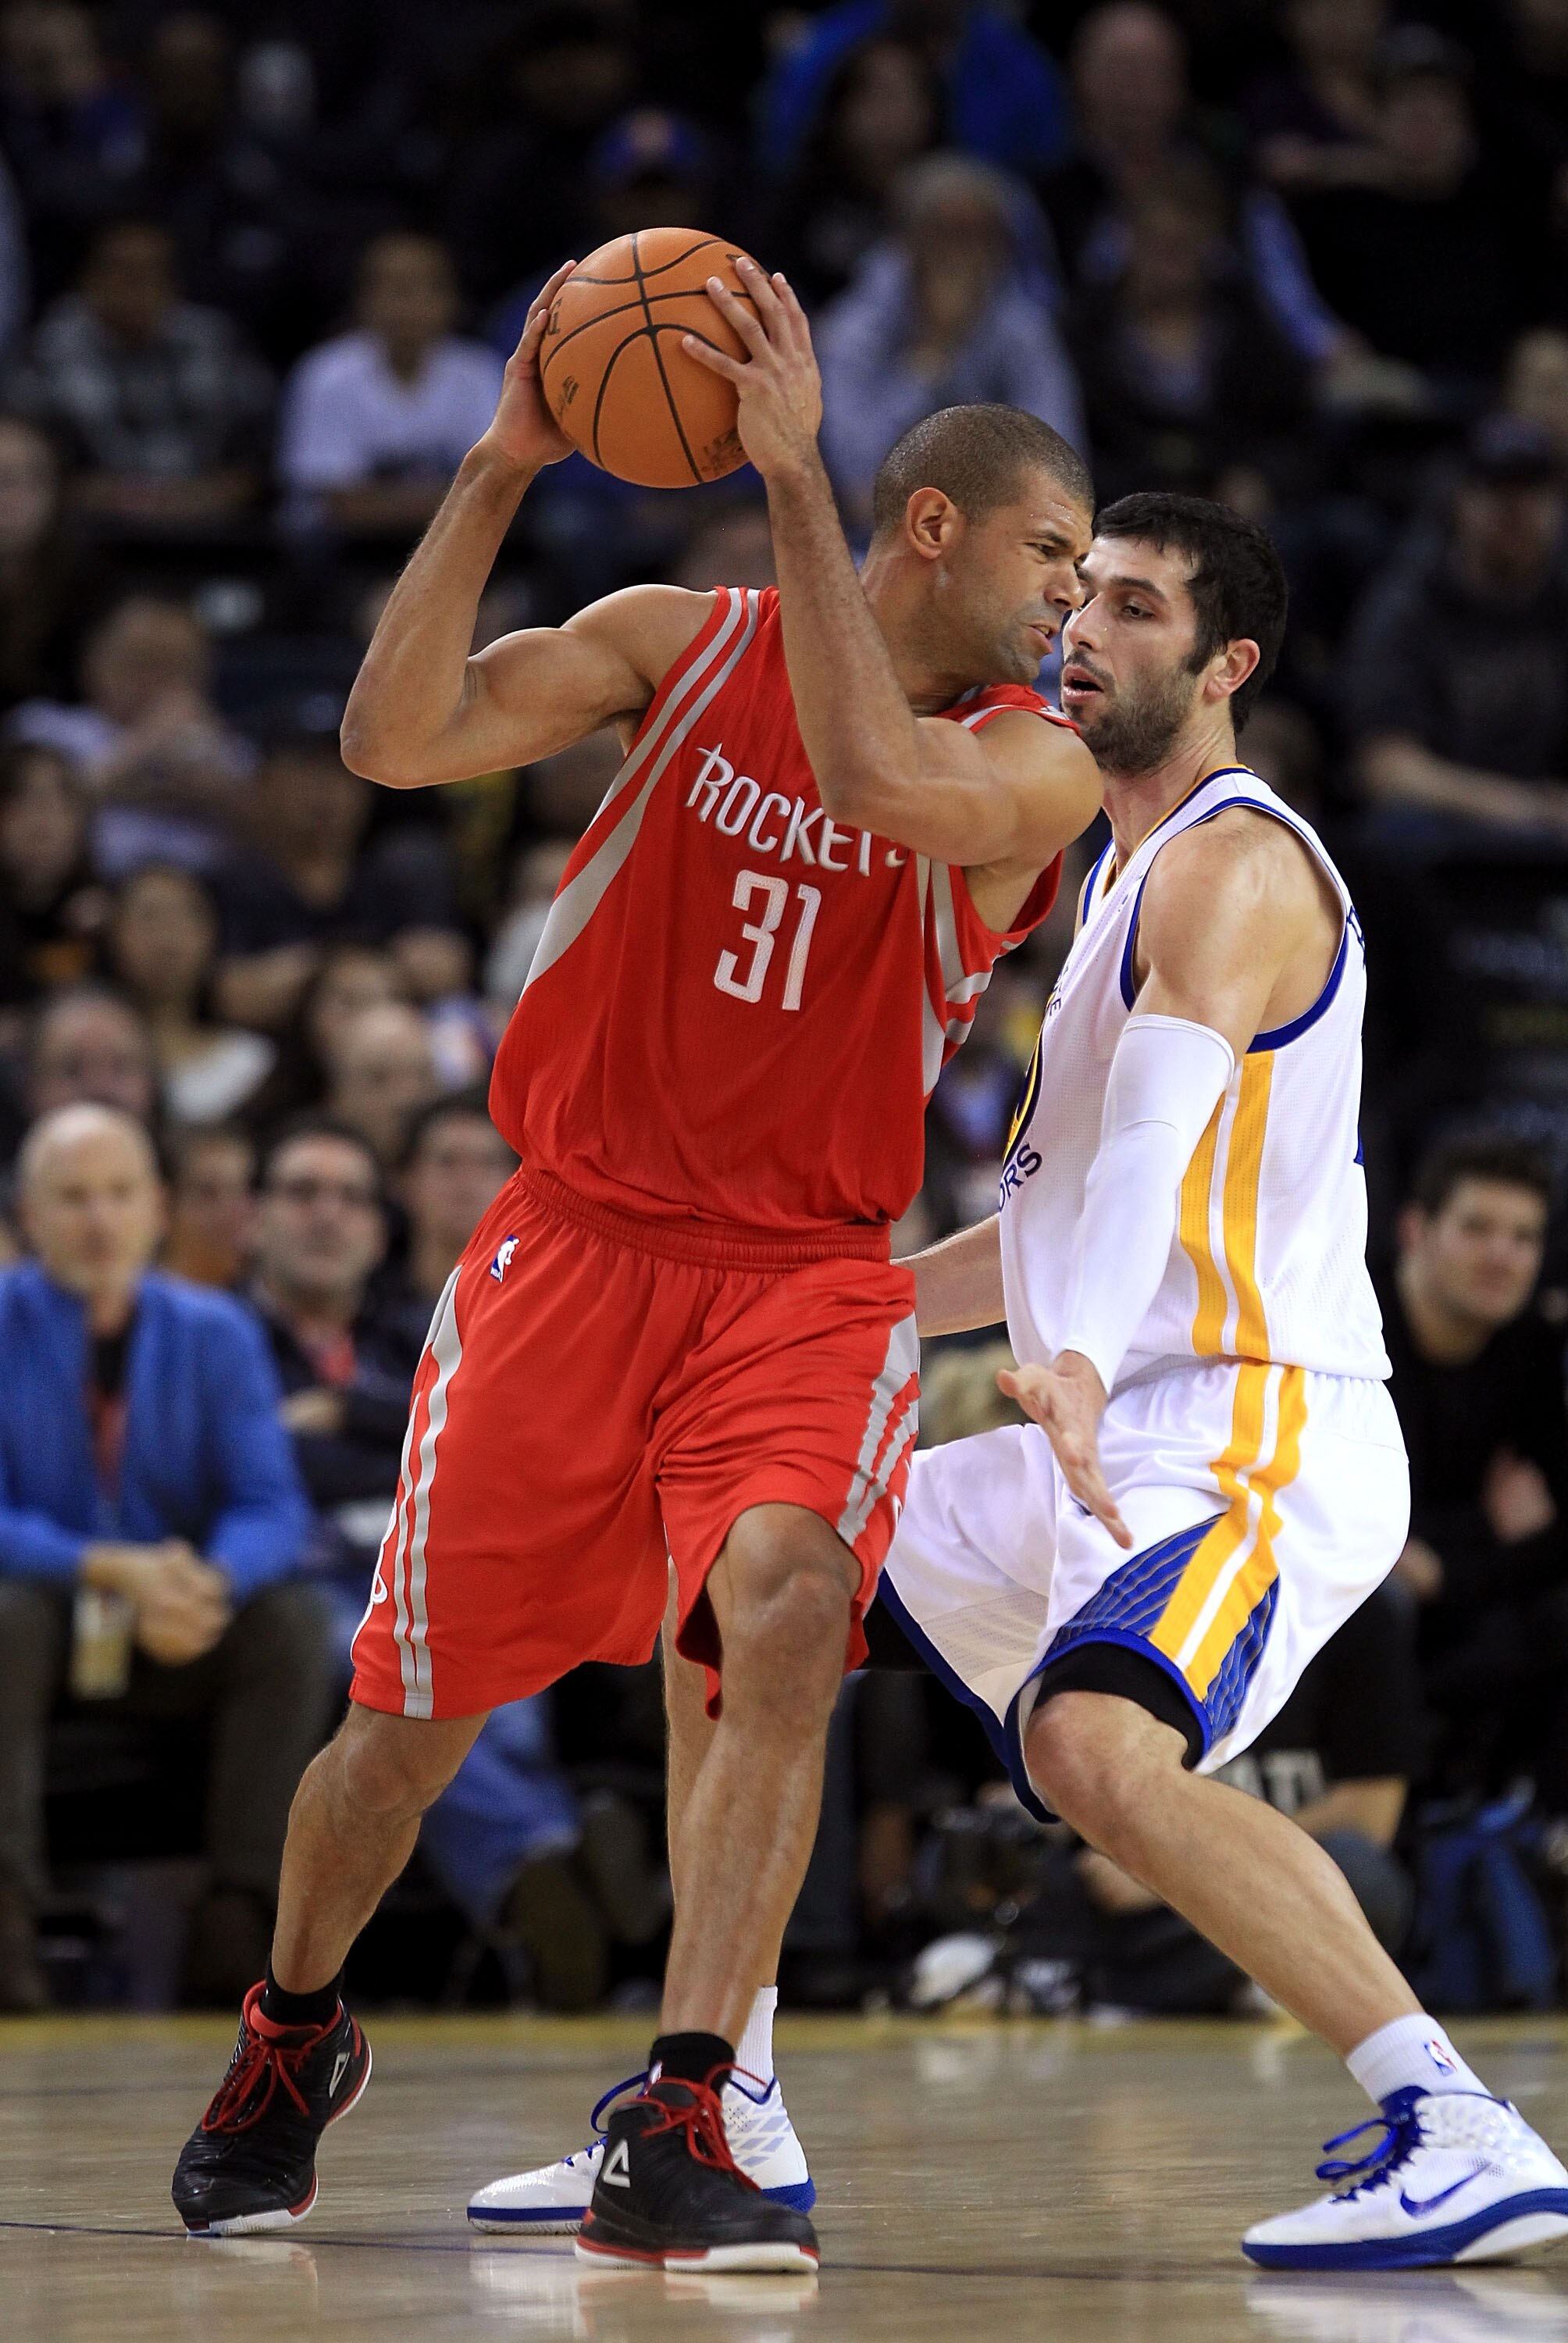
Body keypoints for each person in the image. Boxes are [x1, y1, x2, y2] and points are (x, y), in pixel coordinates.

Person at [170, 249, 1102, 2268]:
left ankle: (687, 2098)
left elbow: (873, 781)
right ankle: (293, 2031)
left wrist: (785, 478)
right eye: (1051, 549)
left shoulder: (1040, 765)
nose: (1072, 595)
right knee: (401, 1730)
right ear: (933, 525)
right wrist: (504, 460)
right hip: (573, 1249)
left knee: (784, 1613)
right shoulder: (678, 644)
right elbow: (391, 739)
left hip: (803, 1276)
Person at [866, 491, 1566, 2266]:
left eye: (1134, 607)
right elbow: (1050, 1218)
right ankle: (710, 2080)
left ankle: (1452, 2120)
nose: (1080, 627)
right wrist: (846, 1306)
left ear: (1224, 664)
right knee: (775, 1564)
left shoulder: (1229, 864)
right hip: (1125, 1411)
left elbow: (1145, 1156)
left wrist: (1068, 1360)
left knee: (1092, 1745)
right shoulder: (1118, 874)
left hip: (1256, 1415)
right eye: (1078, 594)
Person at [0, 1104, 330, 2010]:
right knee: (6, 1618)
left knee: (292, 1623)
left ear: (157, 1208)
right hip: (46, 1621)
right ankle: (6, 1918)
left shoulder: (217, 1330)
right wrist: (107, 1568)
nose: (99, 1220)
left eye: (119, 1194)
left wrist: (207, 1583)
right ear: (30, 1214)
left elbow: (271, 1503)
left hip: (174, 1626)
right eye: (73, 1198)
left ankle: (238, 1917)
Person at [1381, 1136, 1568, 1810]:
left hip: (1470, 1614)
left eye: (1523, 1238)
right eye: (1477, 1229)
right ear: (1415, 1230)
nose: (1502, 1257)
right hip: (1358, 1612)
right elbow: (1361, 1536)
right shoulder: (1349, 1329)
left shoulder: (1531, 1346)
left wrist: (1448, 1565)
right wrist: (1490, 1532)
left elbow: (1556, 1536)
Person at [817, 154, 1085, 531]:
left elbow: (1061, 464)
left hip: (992, 529)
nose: (961, 253)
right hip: (880, 534)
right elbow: (859, 480)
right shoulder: (856, 327)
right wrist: (934, 352)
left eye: (979, 234)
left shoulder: (1022, 324)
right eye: (945, 232)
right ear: (908, 239)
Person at [1345, 415, 1568, 840]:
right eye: (1495, 489)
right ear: (1459, 500)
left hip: (1555, 825)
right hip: (1451, 828)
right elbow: (1384, 766)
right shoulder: (1409, 606)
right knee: (1398, 828)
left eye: (1531, 491)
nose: (1513, 509)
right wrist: (1524, 808)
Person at [2, 216, 274, 527]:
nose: (137, 285)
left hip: (213, 530)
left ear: (176, 283)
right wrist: (121, 500)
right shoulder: (45, 352)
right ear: (88, 277)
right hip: (84, 530)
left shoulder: (218, 343)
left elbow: (257, 459)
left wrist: (190, 502)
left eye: (152, 272)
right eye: (122, 270)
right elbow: (26, 464)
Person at [277, 232, 505, 538]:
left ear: (453, 299)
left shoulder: (480, 373)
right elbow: (338, 501)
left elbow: (495, 489)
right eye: (397, 287)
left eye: (429, 287)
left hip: (455, 543)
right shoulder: (326, 374)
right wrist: (446, 506)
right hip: (346, 548)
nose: (412, 302)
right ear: (364, 298)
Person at [103, 862, 274, 1126]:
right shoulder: (94, 1059)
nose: (167, 935)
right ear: (114, 933)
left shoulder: (251, 1060)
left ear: (212, 933)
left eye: (185, 915)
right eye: (148, 916)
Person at [0, 740, 103, 1009]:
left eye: (59, 801)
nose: (41, 818)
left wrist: (107, 940)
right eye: (21, 802)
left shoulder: (113, 913)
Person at [396, 1091, 516, 1307]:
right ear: (407, 1181)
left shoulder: (537, 1302)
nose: (467, 1183)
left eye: (488, 1164)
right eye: (447, 1162)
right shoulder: (362, 1303)